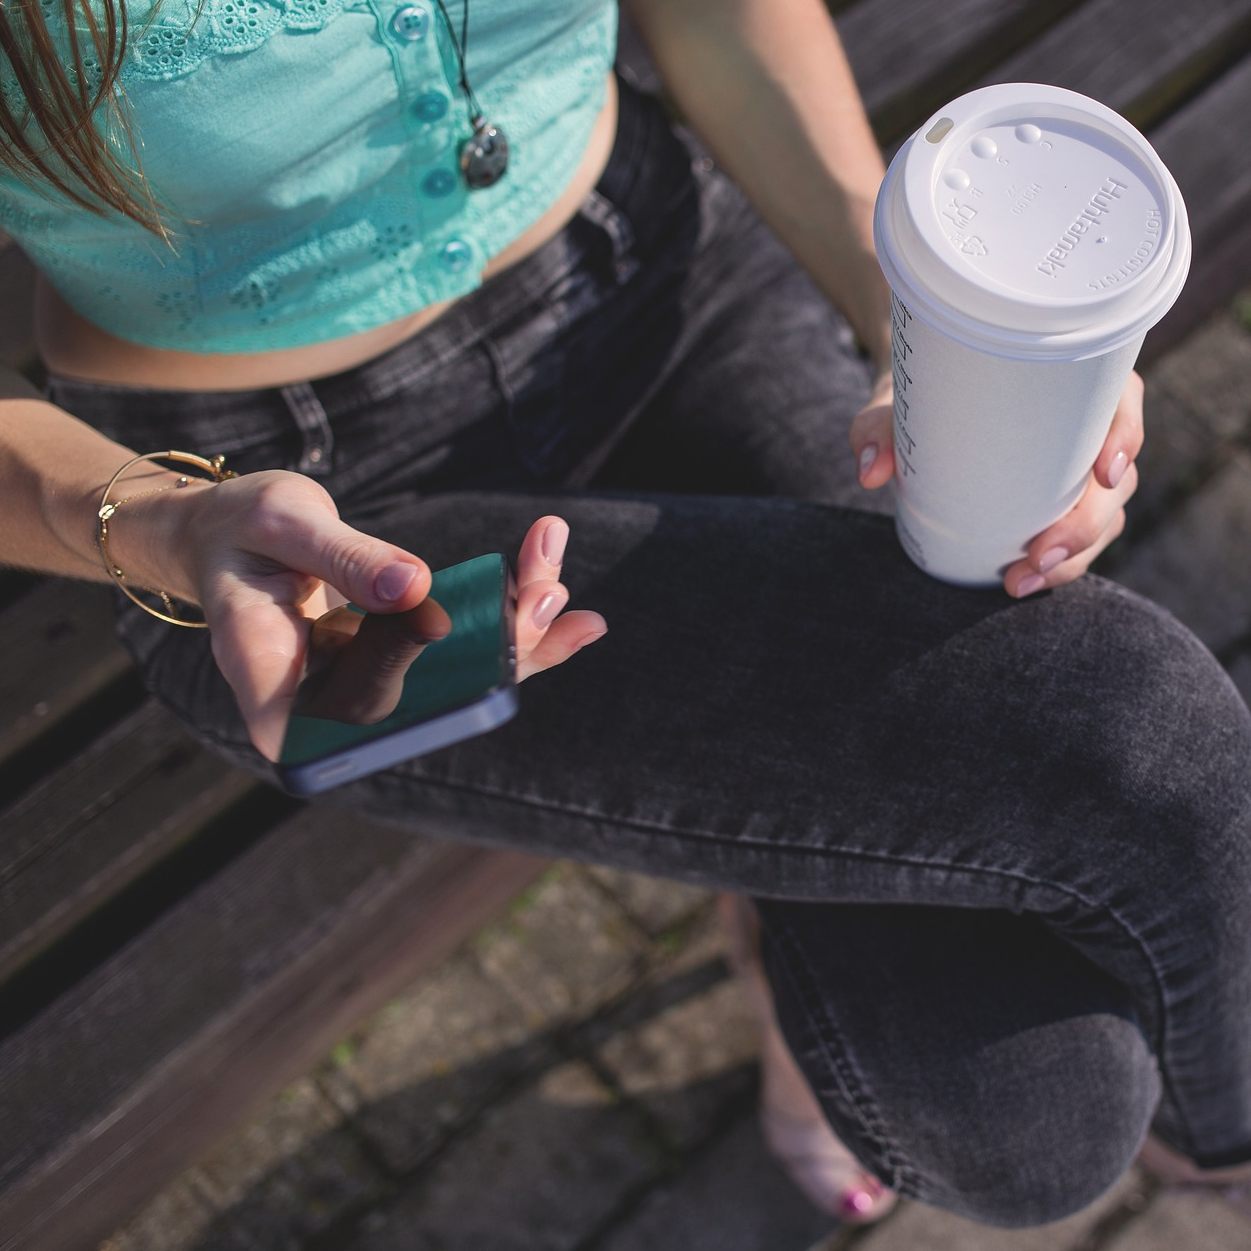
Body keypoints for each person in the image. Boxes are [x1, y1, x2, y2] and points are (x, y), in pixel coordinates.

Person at [2, 0, 1250, 1230]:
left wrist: (923, 325)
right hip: (279, 521)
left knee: (1036, 1080)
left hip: (662, 277)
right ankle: (1228, 1139)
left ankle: (775, 868)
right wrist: (163, 526)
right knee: (1047, 1079)